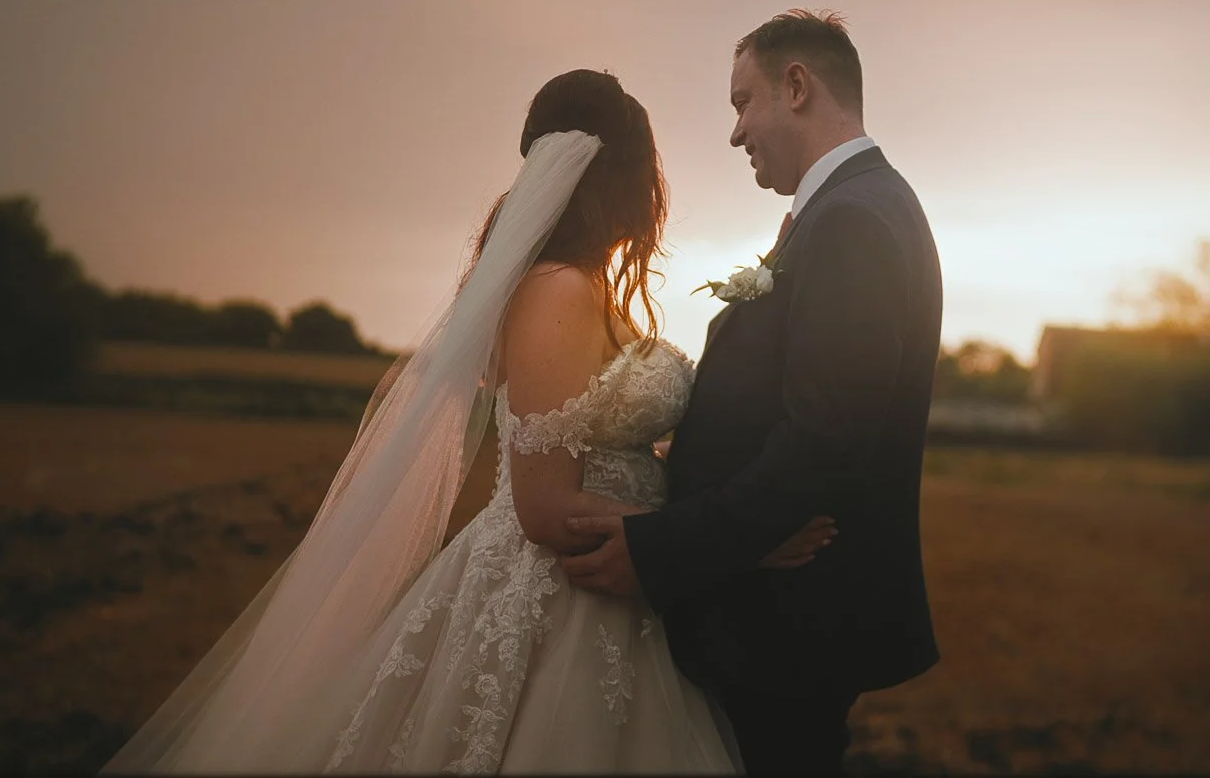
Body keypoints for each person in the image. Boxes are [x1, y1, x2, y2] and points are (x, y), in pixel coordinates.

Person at [101, 69, 834, 774]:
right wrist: (730, 539)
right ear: (631, 177)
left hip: (628, 585)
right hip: (563, 607)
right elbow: (544, 508)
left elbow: (610, 447)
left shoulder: (584, 290)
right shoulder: (554, 293)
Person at [563, 10, 946, 775]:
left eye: (743, 102)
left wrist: (661, 549)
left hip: (789, 632)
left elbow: (823, 439)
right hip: (776, 619)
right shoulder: (847, 211)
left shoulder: (854, 223)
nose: (735, 133)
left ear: (797, 86)